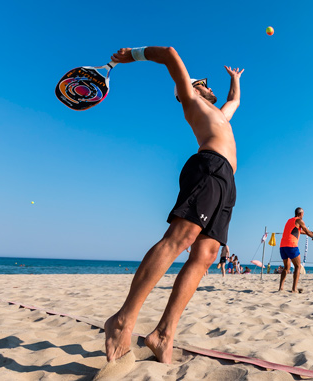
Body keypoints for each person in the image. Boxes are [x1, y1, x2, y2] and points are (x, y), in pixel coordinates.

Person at [103, 46, 243, 364]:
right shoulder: (190, 101)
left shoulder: (219, 114)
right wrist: (133, 55)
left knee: (206, 256)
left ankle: (164, 333)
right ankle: (122, 320)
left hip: (227, 180)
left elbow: (234, 101)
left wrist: (235, 79)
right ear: (189, 89)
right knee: (179, 239)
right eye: (203, 81)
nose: (209, 84)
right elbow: (168, 54)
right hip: (208, 167)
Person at [278, 207, 313, 292]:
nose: (303, 215)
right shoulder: (299, 220)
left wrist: (312, 232)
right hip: (291, 245)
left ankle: (281, 288)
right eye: (303, 213)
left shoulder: (289, 220)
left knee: (286, 267)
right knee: (298, 266)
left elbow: (300, 231)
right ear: (300, 214)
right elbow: (306, 229)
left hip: (282, 246)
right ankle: (294, 289)